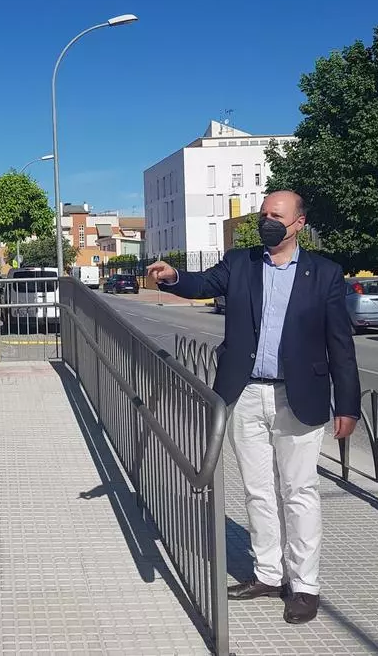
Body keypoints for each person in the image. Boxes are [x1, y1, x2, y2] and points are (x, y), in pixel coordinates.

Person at [147, 190, 360, 625]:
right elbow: (201, 284)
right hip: (245, 393)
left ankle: (304, 585)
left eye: (276, 215)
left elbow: (340, 344)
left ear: (299, 223)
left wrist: (348, 405)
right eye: (263, 214)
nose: (267, 221)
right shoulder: (240, 263)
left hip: (299, 396)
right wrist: (172, 277)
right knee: (257, 490)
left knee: (298, 492)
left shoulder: (325, 274)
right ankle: (268, 573)